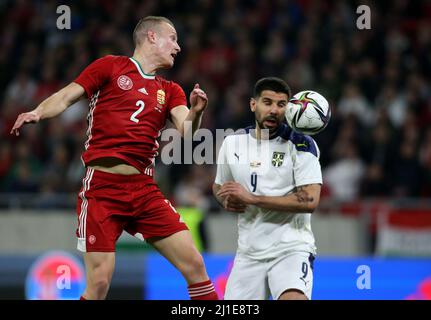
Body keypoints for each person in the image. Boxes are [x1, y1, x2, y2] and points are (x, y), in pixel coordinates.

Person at [11, 16, 218, 300]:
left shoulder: (170, 91)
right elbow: (66, 96)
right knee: (98, 285)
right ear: (151, 37)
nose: (178, 47)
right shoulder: (110, 66)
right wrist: (38, 112)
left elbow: (187, 129)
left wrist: (196, 112)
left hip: (144, 192)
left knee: (196, 265)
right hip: (102, 190)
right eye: (173, 38)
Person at [213, 77, 322, 300]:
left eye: (281, 105)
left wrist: (253, 199)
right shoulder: (232, 143)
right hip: (248, 254)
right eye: (267, 102)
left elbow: (310, 200)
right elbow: (219, 185)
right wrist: (224, 199)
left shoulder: (301, 144)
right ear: (254, 105)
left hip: (291, 249)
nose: (274, 110)